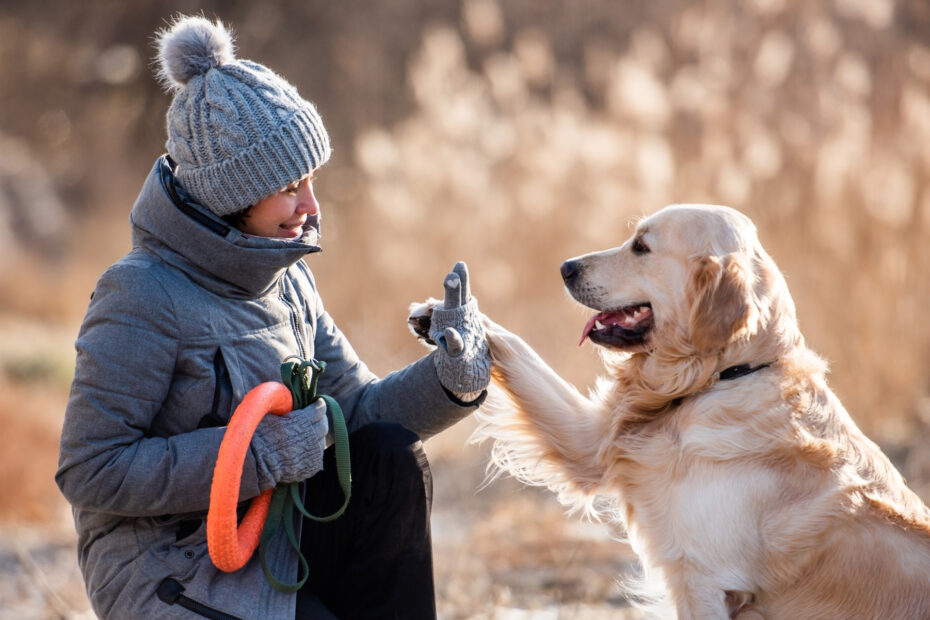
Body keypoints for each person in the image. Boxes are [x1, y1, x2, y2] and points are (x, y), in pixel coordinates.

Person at [55, 15, 490, 620]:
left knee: (389, 456)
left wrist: (451, 379)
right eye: (290, 187)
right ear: (231, 195)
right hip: (179, 574)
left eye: (312, 181)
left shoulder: (286, 278)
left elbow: (357, 414)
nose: (311, 207)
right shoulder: (139, 294)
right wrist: (260, 455)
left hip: (285, 543)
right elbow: (91, 470)